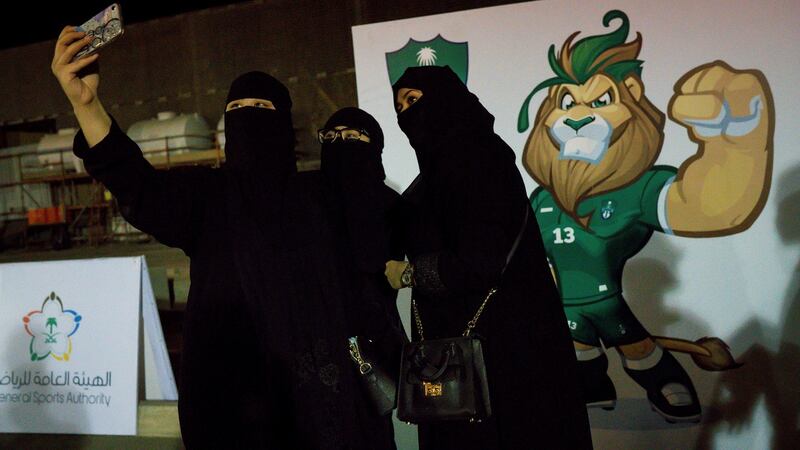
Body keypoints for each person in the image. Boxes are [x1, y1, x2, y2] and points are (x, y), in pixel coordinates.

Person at [51, 27, 395, 449]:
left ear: (283, 120)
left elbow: (377, 226)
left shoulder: (319, 196)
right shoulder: (207, 197)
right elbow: (137, 185)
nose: (248, 114)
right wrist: (86, 105)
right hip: (234, 410)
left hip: (321, 411)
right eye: (237, 106)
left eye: (261, 106)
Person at [384, 66, 593, 450]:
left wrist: (410, 274)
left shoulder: (479, 160)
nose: (405, 115)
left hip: (505, 351)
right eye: (399, 107)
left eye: (413, 100)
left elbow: (480, 259)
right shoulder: (434, 177)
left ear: (446, 101)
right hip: (464, 355)